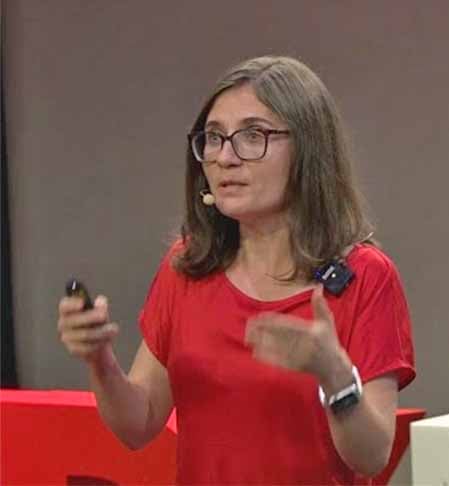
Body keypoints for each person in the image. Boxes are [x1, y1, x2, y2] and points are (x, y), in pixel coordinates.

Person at [57, 55, 415, 485]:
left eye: (252, 135)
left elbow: (371, 457)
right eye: (214, 138)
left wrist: (335, 376)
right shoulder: (187, 267)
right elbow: (138, 424)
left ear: (309, 150)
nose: (225, 157)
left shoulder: (365, 277)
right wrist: (99, 360)